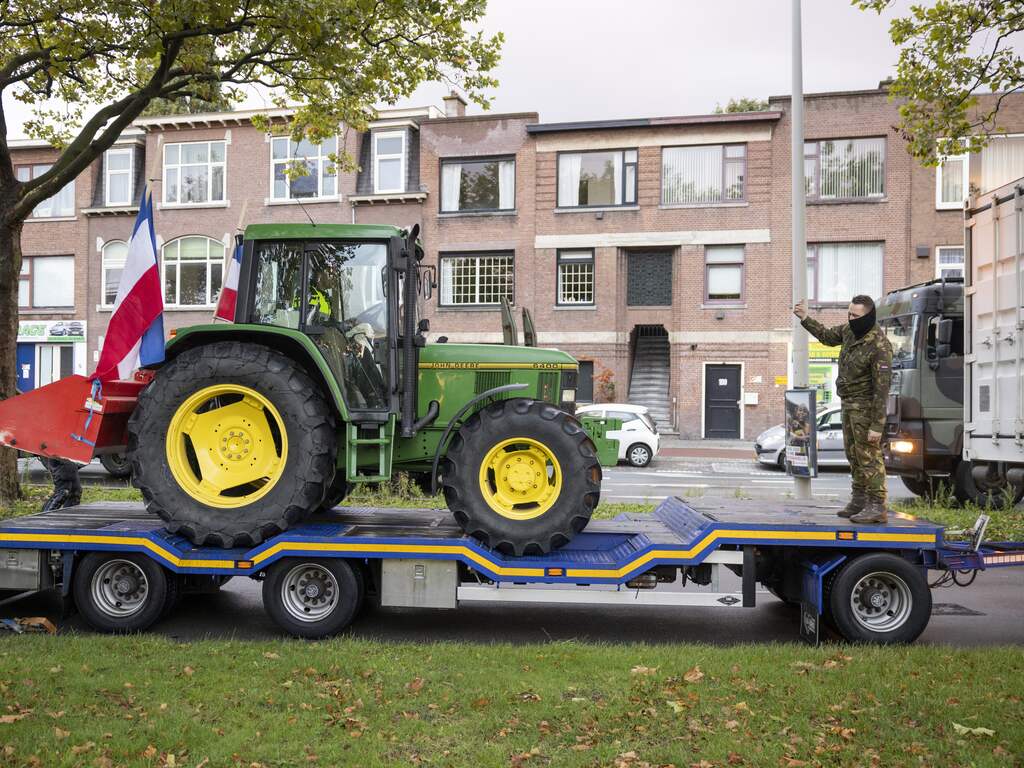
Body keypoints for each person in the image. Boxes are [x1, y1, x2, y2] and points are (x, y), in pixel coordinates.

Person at [793, 295, 893, 524]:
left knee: (869, 456)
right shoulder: (849, 331)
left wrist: (877, 425)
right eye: (849, 314)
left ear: (868, 316)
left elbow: (882, 389)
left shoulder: (879, 345)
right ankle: (858, 500)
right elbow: (828, 337)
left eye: (855, 315)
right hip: (848, 404)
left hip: (866, 408)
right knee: (853, 455)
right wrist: (805, 318)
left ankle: (877, 505)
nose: (850, 319)